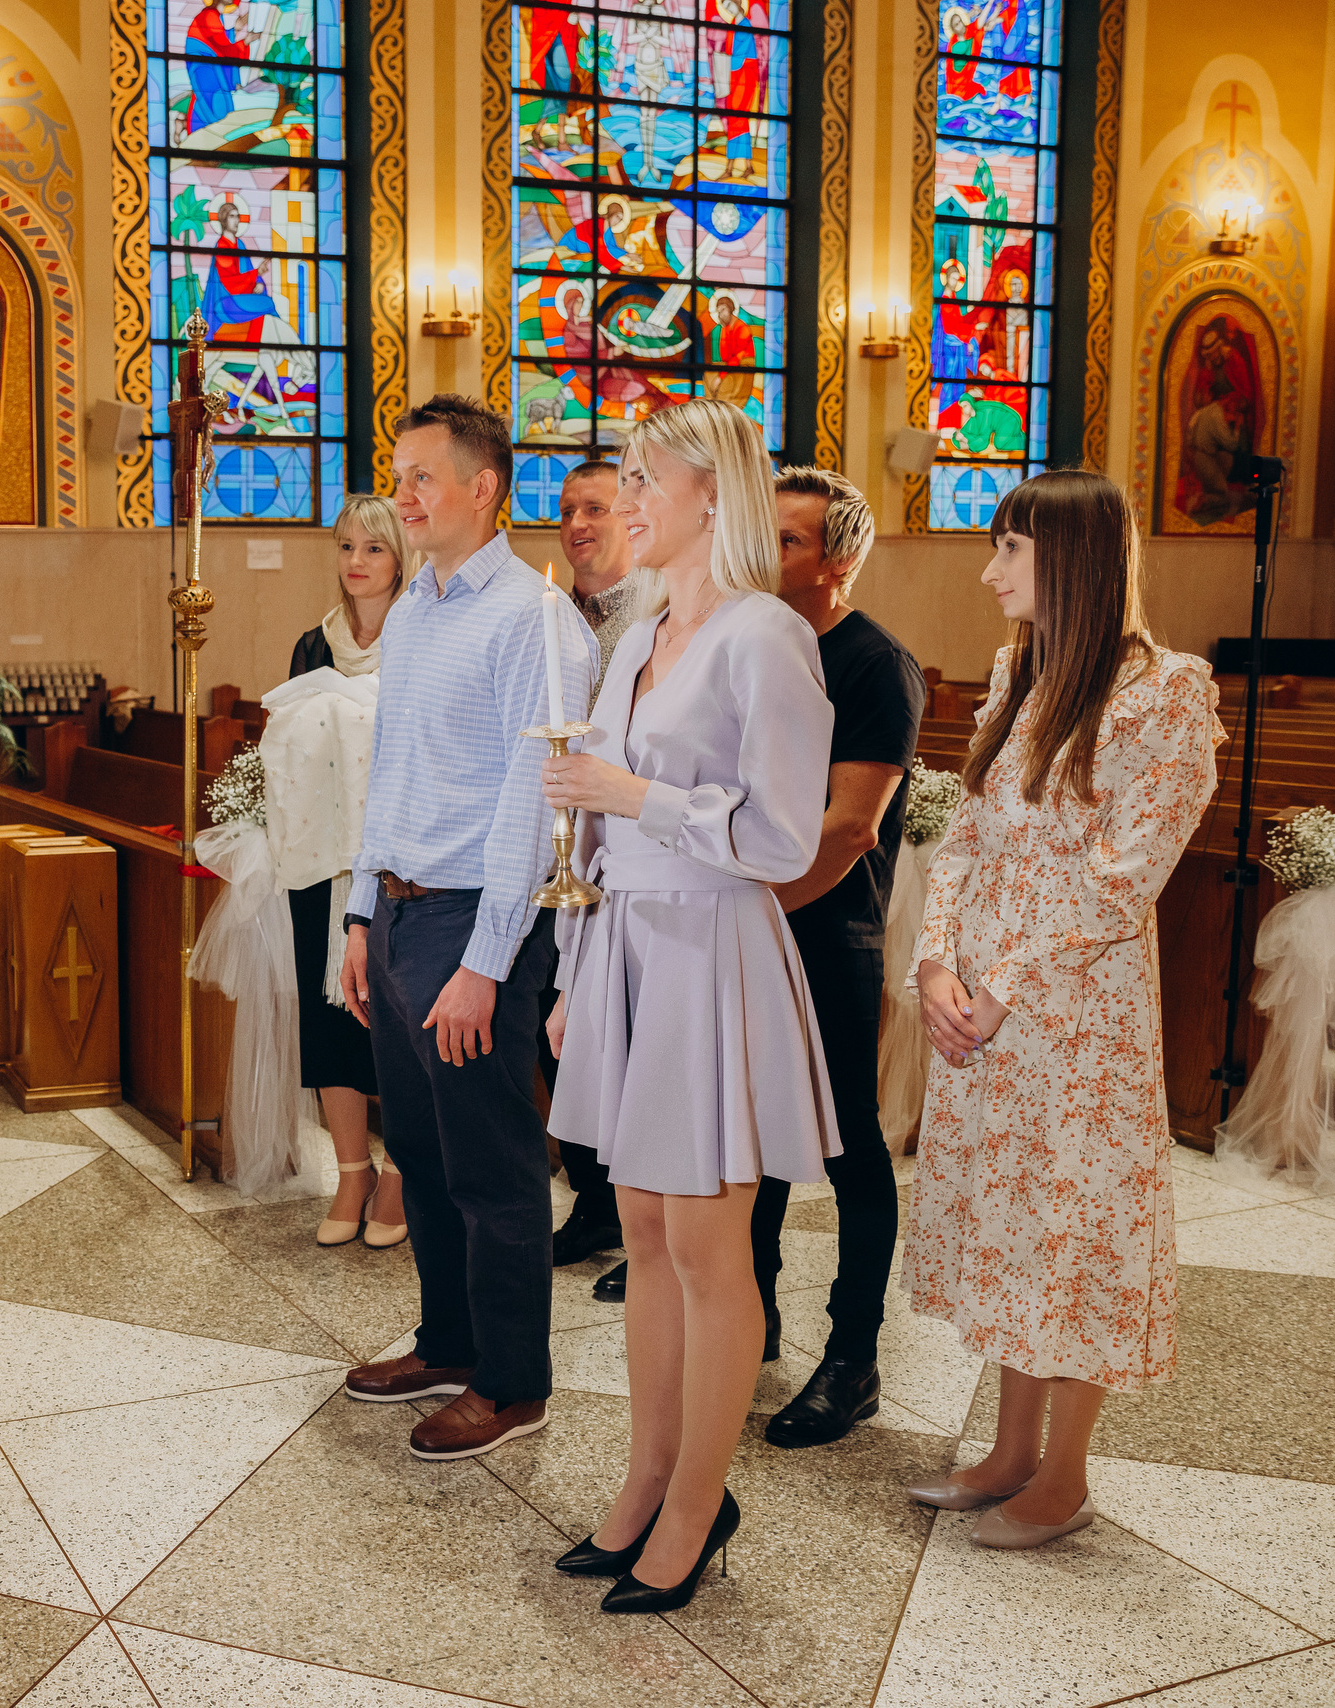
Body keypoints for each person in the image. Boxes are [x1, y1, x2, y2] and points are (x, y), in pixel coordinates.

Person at [540, 397, 837, 1614]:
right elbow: (593, 832)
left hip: (711, 947)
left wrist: (632, 793)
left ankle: (697, 1503)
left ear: (711, 493)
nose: (623, 498)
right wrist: (573, 974)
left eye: (640, 478)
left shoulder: (765, 635)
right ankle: (646, 1479)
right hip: (626, 946)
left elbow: (782, 836)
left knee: (711, 1250)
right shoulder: (639, 635)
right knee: (646, 1236)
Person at [903, 470, 1221, 1548]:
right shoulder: (1017, 674)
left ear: (1074, 560)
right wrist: (936, 964)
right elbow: (965, 834)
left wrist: (1003, 986)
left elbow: (1123, 878)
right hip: (982, 1004)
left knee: (1075, 1229)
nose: (989, 571)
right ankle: (1008, 1449)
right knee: (1011, 1225)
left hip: (1078, 1016)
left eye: (1009, 550)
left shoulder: (1167, 693)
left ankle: (1066, 1475)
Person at [334, 395, 595, 1461]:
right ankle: (447, 1342)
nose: (402, 497)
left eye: (421, 479)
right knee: (422, 1150)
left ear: (482, 489)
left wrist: (486, 963)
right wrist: (359, 913)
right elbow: (390, 769)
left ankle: (512, 1382)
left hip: (472, 922)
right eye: (399, 477)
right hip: (400, 913)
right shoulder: (415, 609)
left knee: (491, 1164)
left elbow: (534, 802)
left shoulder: (534, 619)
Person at [750, 467, 924, 1443]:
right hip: (751, 926)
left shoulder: (873, 663)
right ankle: (752, 1314)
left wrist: (748, 908)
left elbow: (850, 826)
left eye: (787, 539)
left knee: (848, 1145)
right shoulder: (754, 648)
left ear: (839, 559)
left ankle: (852, 1357)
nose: (764, 551)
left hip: (828, 931)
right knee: (752, 1136)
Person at [293, 493, 406, 1248]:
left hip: (394, 861)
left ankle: (399, 1176)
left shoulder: (419, 636)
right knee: (329, 1021)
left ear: (401, 557)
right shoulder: (314, 645)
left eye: (374, 548)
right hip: (321, 855)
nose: (357, 561)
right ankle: (351, 1172)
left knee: (391, 1022)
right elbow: (291, 743)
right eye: (345, 546)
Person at [546, 457, 637, 1270]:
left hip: (624, 853)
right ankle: (593, 1200)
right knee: (558, 1033)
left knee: (622, 1041)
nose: (577, 524)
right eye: (568, 509)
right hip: (553, 851)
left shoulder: (653, 618)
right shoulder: (548, 616)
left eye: (595, 508)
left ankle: (634, 1215)